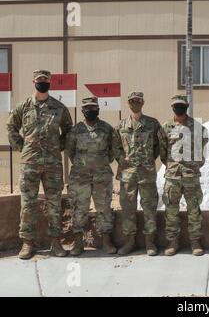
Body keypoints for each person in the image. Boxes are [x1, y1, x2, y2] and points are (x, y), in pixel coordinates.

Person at [6, 69, 73, 260]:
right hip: (29, 163)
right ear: (33, 81)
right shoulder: (24, 106)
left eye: (45, 80)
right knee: (28, 204)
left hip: (52, 164)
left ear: (50, 82)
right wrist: (22, 146)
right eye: (39, 79)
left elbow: (68, 130)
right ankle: (27, 243)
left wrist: (57, 148)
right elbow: (11, 127)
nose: (42, 82)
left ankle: (56, 242)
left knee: (54, 204)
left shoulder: (59, 107)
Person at [66, 96, 116, 256]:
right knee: (79, 208)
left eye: (93, 108)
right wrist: (83, 164)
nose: (90, 110)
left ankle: (107, 241)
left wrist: (100, 162)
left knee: (104, 208)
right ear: (82, 111)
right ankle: (78, 243)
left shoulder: (107, 129)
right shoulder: (75, 130)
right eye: (87, 108)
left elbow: (113, 152)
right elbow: (70, 151)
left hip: (102, 176)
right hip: (80, 177)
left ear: (98, 109)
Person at [159, 95, 208, 256]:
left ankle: (195, 241)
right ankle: (173, 242)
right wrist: (173, 167)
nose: (178, 108)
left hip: (191, 177)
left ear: (186, 106)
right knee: (171, 210)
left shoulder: (198, 128)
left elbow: (202, 152)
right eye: (175, 105)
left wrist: (192, 167)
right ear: (172, 107)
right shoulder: (166, 127)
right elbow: (163, 152)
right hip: (172, 177)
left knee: (194, 210)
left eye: (181, 105)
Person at [113, 91, 161, 256]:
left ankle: (150, 242)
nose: (135, 103)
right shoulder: (121, 126)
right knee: (128, 208)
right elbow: (115, 147)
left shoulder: (153, 124)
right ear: (128, 103)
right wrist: (123, 160)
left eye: (138, 100)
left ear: (143, 102)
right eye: (132, 101)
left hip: (146, 173)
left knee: (149, 207)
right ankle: (130, 241)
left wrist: (148, 159)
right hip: (128, 174)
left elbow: (158, 146)